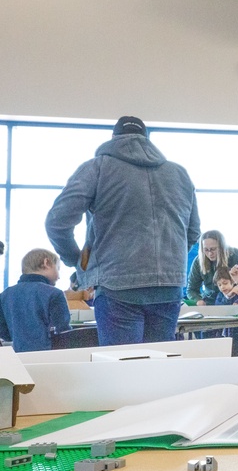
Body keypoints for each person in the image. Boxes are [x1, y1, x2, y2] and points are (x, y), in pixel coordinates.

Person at [45, 116, 200, 346]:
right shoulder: (179, 174)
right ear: (147, 140)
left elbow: (57, 221)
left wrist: (77, 261)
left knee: (120, 369)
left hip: (117, 286)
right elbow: (193, 231)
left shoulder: (97, 168)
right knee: (160, 370)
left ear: (114, 138)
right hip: (169, 287)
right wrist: (170, 259)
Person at [0, 248, 71, 352]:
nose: (59, 276)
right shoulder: (55, 294)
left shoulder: (4, 295)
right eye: (58, 268)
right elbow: (63, 332)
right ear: (46, 263)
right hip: (51, 356)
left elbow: (4, 332)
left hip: (20, 356)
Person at [187, 230, 238, 306]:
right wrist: (198, 300)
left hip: (237, 302)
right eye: (206, 250)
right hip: (211, 302)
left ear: (222, 247)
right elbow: (191, 289)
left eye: (213, 249)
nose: (210, 253)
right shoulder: (198, 261)